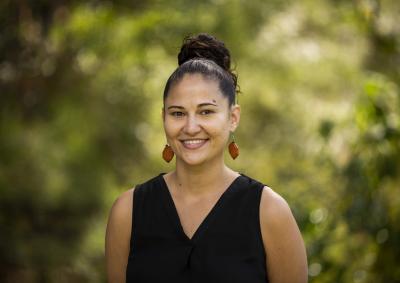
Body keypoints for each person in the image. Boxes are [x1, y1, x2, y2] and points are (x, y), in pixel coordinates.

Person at [105, 33, 308, 283]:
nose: (190, 127)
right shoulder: (127, 212)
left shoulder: (270, 212)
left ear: (233, 118)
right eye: (178, 113)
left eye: (206, 111)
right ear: (163, 118)